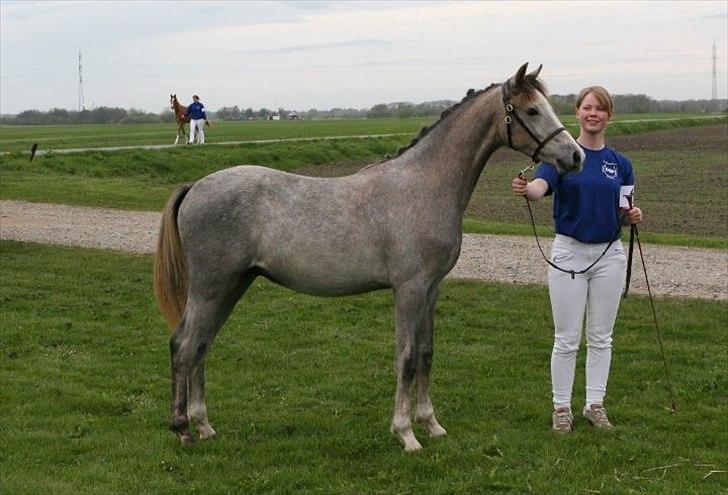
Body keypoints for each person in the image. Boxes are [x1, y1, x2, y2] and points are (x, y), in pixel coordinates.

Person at [512, 86, 643, 433]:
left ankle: (594, 405)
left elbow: (624, 207)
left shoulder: (621, 165)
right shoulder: (561, 156)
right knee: (567, 338)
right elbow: (542, 187)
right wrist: (530, 191)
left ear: (609, 115)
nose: (593, 114)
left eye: (600, 109)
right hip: (569, 252)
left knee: (602, 337)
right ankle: (561, 408)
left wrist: (632, 215)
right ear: (577, 113)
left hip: (609, 256)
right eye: (587, 107)